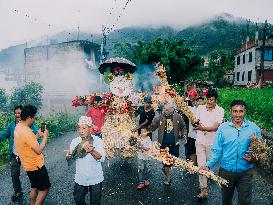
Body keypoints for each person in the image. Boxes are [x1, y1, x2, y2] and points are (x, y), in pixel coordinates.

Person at [200, 100, 261, 205]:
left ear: (245, 112)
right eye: (235, 111)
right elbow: (217, 151)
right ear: (230, 112)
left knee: (245, 201)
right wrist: (208, 165)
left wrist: (254, 158)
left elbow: (259, 150)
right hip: (226, 171)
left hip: (245, 172)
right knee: (226, 200)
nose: (237, 114)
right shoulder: (223, 128)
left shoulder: (254, 129)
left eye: (240, 111)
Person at [0, 105, 39, 202]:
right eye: (16, 113)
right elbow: (4, 134)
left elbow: (38, 136)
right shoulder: (11, 125)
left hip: (27, 155)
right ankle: (18, 191)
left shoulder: (30, 125)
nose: (17, 115)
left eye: (19, 113)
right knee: (14, 174)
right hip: (15, 154)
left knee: (32, 173)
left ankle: (36, 190)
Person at [14, 105, 50, 205]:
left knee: (34, 188)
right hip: (36, 166)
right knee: (44, 189)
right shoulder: (26, 132)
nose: (34, 119)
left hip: (28, 165)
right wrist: (45, 137)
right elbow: (38, 150)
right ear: (29, 117)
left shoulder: (18, 127)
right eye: (34, 117)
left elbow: (27, 142)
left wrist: (38, 135)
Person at [66, 116, 105, 205]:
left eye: (84, 128)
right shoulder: (75, 141)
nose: (81, 130)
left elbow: (102, 158)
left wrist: (91, 151)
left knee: (95, 202)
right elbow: (70, 159)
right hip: (81, 178)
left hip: (95, 178)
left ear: (90, 129)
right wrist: (68, 156)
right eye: (79, 128)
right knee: (78, 200)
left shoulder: (97, 140)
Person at [195, 89, 224, 199]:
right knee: (201, 166)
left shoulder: (220, 110)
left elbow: (216, 127)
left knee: (209, 166)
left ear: (216, 100)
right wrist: (197, 124)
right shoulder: (201, 108)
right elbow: (195, 121)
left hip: (212, 144)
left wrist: (204, 128)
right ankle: (204, 190)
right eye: (208, 99)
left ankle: (209, 176)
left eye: (212, 100)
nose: (209, 102)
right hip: (200, 142)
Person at [148, 102, 186, 185]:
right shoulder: (159, 117)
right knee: (166, 160)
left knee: (173, 159)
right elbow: (152, 126)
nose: (165, 111)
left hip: (174, 143)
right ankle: (167, 176)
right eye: (164, 109)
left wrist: (184, 135)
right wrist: (145, 131)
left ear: (172, 110)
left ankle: (167, 168)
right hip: (164, 143)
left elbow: (183, 126)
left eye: (167, 110)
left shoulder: (177, 117)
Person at [184, 89, 199, 165]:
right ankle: (188, 161)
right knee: (188, 145)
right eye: (194, 95)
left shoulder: (193, 104)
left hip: (191, 130)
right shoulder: (187, 103)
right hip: (187, 129)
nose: (195, 97)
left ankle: (191, 162)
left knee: (192, 147)